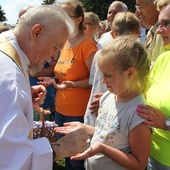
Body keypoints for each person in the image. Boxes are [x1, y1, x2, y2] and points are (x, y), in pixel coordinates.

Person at [0, 5, 88, 170]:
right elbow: (12, 162)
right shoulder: (11, 80)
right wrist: (60, 148)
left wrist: (25, 95)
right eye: (56, 46)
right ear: (37, 32)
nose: (55, 56)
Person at [55, 36, 152, 170]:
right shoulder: (108, 96)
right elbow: (109, 133)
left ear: (130, 73)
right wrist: (84, 128)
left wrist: (102, 149)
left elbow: (139, 163)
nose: (103, 81)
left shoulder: (138, 114)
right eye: (102, 75)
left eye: (108, 75)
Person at [39, 1, 98, 169]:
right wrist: (53, 81)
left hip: (78, 114)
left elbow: (95, 81)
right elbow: (63, 73)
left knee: (77, 161)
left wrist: (72, 85)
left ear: (78, 19)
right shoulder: (65, 44)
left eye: (65, 15)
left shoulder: (88, 46)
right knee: (65, 156)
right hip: (61, 110)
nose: (60, 19)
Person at [84, 11, 141, 126]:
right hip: (111, 116)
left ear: (113, 34)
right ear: (137, 33)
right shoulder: (136, 59)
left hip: (101, 115)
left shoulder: (100, 54)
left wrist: (105, 97)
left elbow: (93, 83)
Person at [136, 4, 170, 170]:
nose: (158, 30)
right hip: (151, 153)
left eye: (165, 24)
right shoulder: (164, 58)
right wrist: (114, 96)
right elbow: (143, 91)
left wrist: (167, 124)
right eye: (158, 24)